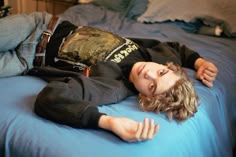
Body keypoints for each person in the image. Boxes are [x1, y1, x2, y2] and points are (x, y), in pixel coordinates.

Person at [0, 12, 218, 142]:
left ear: (146, 98)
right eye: (161, 71)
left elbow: (51, 98)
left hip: (27, 61)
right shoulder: (159, 57)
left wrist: (107, 122)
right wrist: (200, 63)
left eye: (152, 86)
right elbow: (177, 49)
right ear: (167, 67)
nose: (149, 73)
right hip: (40, 26)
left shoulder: (111, 86)